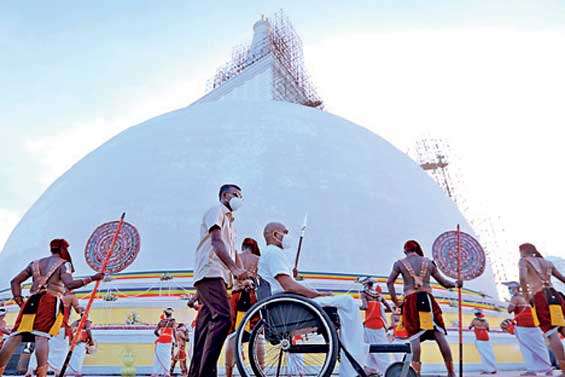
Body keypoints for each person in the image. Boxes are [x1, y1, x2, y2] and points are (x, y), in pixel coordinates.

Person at [258, 222, 370, 377]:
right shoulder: (273, 253)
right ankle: (355, 366)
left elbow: (288, 283)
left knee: (338, 304)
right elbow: (288, 285)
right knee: (348, 303)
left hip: (287, 304)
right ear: (276, 235)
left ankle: (350, 362)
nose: (288, 236)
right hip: (289, 305)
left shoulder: (270, 254)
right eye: (285, 232)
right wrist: (318, 295)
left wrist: (307, 287)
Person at [0, 239, 103, 377]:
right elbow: (70, 284)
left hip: (31, 300)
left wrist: (20, 301)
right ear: (63, 250)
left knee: (15, 336)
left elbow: (14, 282)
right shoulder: (64, 264)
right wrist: (93, 277)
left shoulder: (35, 264)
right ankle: (41, 374)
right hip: (49, 300)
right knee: (41, 336)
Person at [188, 184, 249, 377]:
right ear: (224, 195)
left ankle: (196, 373)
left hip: (216, 277)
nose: (239, 198)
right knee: (223, 317)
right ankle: (206, 373)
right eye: (235, 194)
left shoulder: (231, 223)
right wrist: (235, 269)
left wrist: (239, 276)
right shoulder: (216, 211)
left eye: (241, 196)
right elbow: (215, 242)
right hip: (211, 273)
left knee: (204, 328)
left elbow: (231, 251)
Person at [386, 240, 461, 377]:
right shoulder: (428, 263)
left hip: (411, 302)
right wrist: (456, 284)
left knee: (415, 337)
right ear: (418, 249)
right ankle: (451, 372)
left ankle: (416, 374)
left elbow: (389, 282)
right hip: (427, 300)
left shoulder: (399, 264)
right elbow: (444, 283)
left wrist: (396, 302)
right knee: (439, 335)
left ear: (405, 251)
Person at [518, 243, 565, 374]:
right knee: (562, 328)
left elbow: (522, 278)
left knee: (551, 333)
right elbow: (562, 278)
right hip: (555, 296)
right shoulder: (547, 262)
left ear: (522, 251)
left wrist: (527, 297)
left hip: (540, 297)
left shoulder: (524, 260)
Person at [225, 238, 262, 377]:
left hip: (236, 297)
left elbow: (229, 282)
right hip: (253, 296)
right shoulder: (258, 259)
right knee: (257, 334)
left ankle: (229, 373)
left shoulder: (235, 258)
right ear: (254, 248)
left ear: (243, 247)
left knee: (233, 335)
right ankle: (261, 371)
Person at [505, 281, 553, 376]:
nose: (509, 290)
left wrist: (510, 302)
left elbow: (509, 310)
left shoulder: (516, 298)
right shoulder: (529, 297)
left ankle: (532, 370)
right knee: (540, 347)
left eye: (510, 288)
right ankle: (548, 369)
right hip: (535, 325)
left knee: (526, 349)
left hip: (523, 326)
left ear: (515, 289)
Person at [359, 277, 392, 375]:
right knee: (380, 349)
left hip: (369, 325)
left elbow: (365, 306)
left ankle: (378, 370)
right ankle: (378, 370)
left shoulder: (364, 293)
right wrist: (378, 309)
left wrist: (355, 307)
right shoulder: (378, 295)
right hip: (380, 325)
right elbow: (389, 308)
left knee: (368, 348)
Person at [468, 309, 497, 375]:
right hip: (486, 338)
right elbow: (488, 329)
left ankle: (489, 369)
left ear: (476, 315)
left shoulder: (474, 321)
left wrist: (475, 326)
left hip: (479, 338)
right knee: (489, 354)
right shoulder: (485, 321)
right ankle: (491, 369)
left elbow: (469, 327)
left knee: (484, 355)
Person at [153, 308, 177, 377]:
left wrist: (160, 336)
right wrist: (176, 342)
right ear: (171, 314)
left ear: (165, 314)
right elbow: (174, 332)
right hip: (168, 340)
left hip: (160, 340)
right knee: (167, 356)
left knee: (159, 357)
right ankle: (166, 372)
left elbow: (155, 332)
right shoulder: (173, 321)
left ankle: (155, 372)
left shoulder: (161, 322)